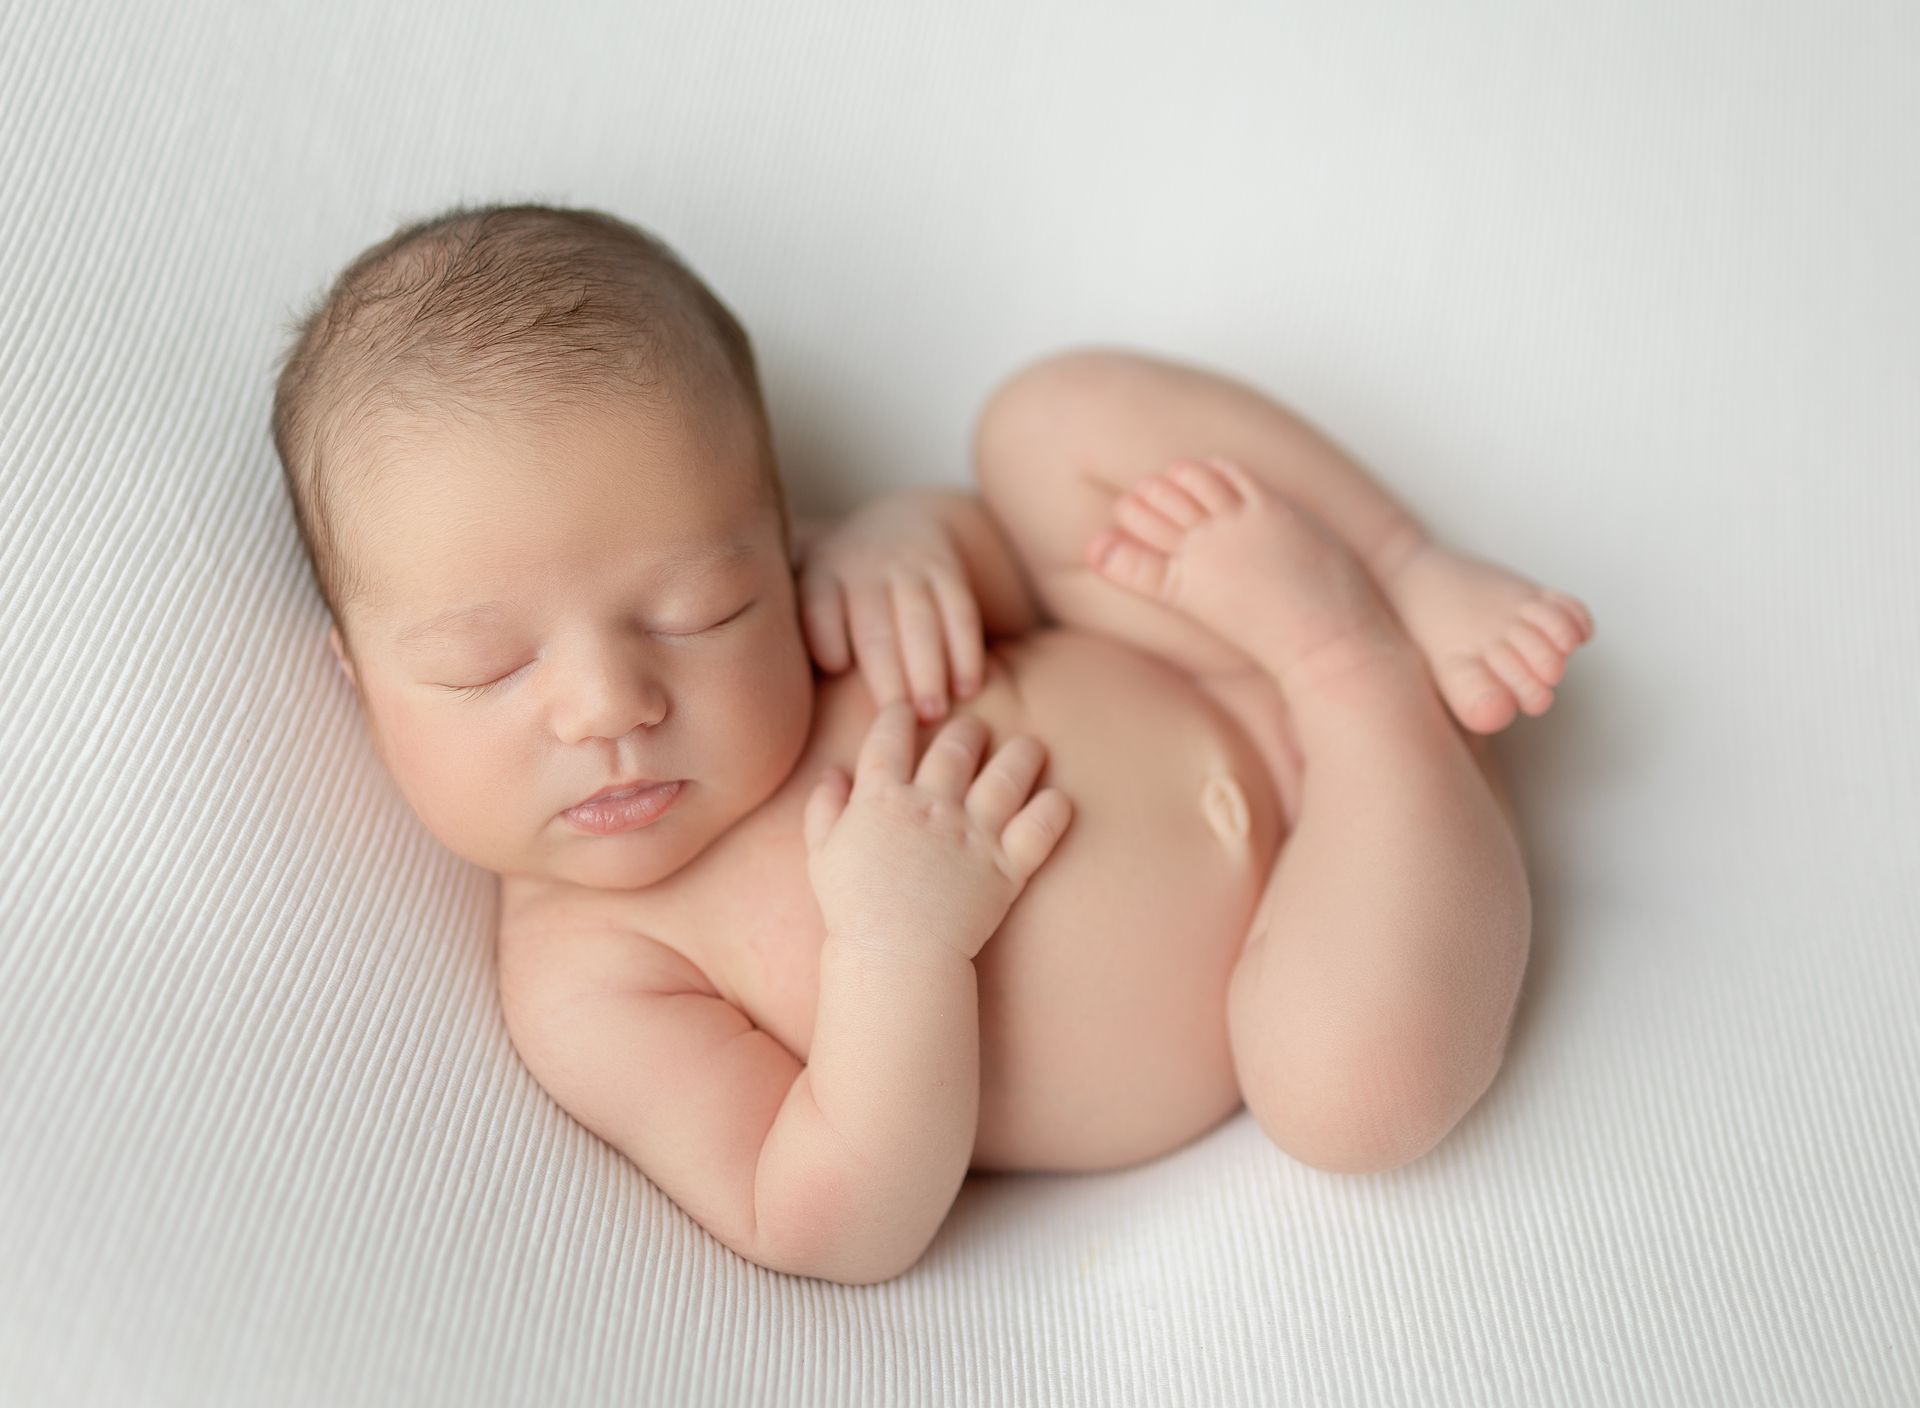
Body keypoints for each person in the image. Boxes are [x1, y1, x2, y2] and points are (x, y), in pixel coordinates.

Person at [269, 201, 1594, 1285]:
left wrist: (906, 541)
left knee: (1043, 421)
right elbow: (823, 1218)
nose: (612, 702)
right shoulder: (593, 975)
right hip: (1315, 926)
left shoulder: (808, 597)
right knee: (1353, 1100)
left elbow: (998, 564)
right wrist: (898, 947)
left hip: (1193, 644)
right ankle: (1360, 673)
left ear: (772, 540)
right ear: (358, 676)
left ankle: (1403, 565)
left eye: (698, 609)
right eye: (488, 667)